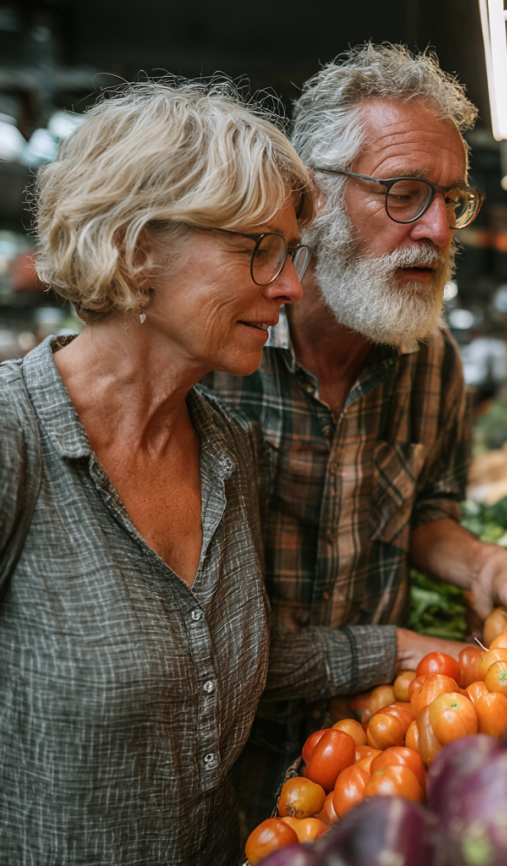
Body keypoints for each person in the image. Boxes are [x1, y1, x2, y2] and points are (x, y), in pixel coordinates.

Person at [204, 43, 507, 828]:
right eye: (404, 193)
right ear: (318, 196)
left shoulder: (435, 365)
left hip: (378, 745)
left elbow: (424, 512)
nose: (435, 229)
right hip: (219, 752)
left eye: (452, 200)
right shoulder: (217, 352)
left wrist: (481, 560)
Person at [0, 78, 315, 864]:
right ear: (140, 248)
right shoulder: (14, 443)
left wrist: (409, 650)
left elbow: (222, 663)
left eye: (292, 253)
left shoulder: (226, 453)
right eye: (259, 249)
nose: (291, 285)